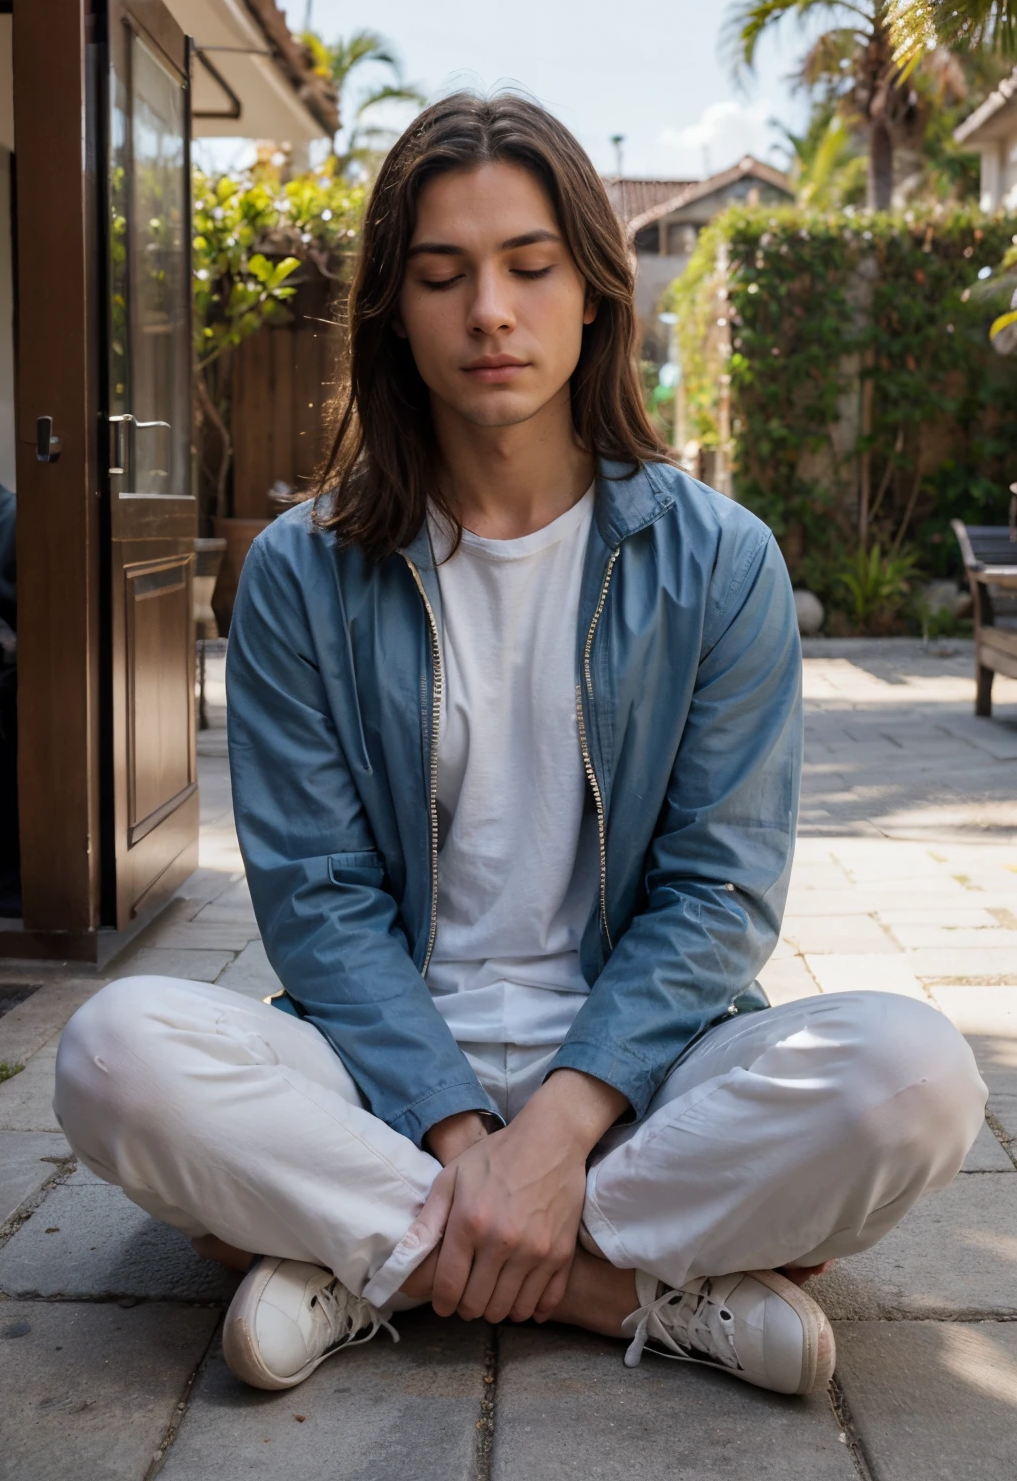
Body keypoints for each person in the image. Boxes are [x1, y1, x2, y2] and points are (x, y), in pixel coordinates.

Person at [54, 94, 986, 1399]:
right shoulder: (301, 577)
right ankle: (618, 1288)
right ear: (394, 308)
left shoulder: (719, 565)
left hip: (639, 1070)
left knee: (915, 1080)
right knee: (114, 1056)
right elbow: (317, 905)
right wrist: (454, 1122)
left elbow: (720, 892)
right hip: (376, 1063)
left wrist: (558, 1126)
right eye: (443, 275)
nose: (491, 309)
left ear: (595, 292)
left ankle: (365, 1250)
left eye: (530, 267)